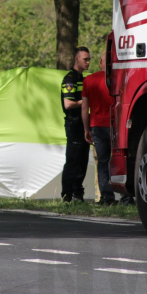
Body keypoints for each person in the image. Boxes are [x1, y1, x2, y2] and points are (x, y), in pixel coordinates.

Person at [82, 53, 131, 206]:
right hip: (115, 125)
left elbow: (85, 107)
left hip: (97, 125)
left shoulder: (88, 80)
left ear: (100, 62)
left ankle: (107, 197)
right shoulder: (118, 79)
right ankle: (126, 197)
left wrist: (86, 129)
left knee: (102, 162)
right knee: (120, 159)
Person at [60, 46, 91, 202]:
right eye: (85, 59)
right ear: (76, 59)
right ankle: (67, 194)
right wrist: (84, 102)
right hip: (73, 124)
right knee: (73, 159)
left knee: (83, 160)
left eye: (89, 59)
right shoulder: (70, 79)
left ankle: (78, 192)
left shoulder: (83, 79)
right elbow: (68, 104)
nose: (88, 62)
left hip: (83, 124)